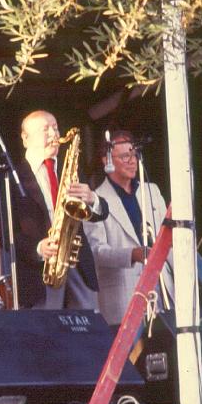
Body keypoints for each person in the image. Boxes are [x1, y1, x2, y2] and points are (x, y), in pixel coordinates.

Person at [13, 110, 109, 310]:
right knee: (46, 336)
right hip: (42, 270)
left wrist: (93, 199)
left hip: (78, 263)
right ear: (25, 139)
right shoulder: (14, 179)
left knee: (87, 332)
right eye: (45, 129)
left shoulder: (71, 169)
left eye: (55, 128)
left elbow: (101, 214)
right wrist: (39, 247)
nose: (54, 134)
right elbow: (5, 235)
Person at [83, 130, 174, 326]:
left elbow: (168, 241)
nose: (132, 161)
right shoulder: (96, 200)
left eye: (134, 155)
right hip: (123, 300)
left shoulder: (152, 190)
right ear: (106, 160)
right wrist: (132, 254)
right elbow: (97, 252)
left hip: (162, 292)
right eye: (125, 156)